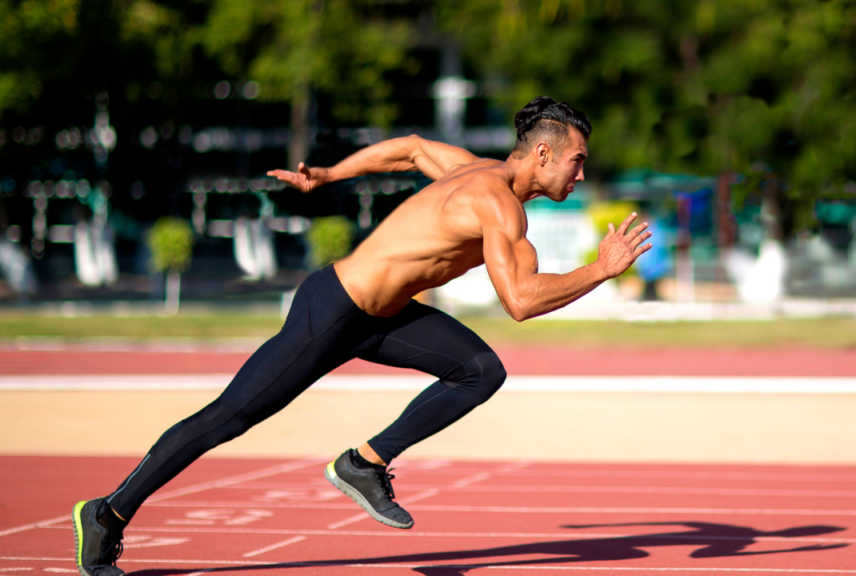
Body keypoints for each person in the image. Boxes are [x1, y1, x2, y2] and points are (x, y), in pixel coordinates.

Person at [72, 96, 652, 576]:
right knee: (228, 417)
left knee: (481, 370)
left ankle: (363, 463)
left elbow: (410, 148)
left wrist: (330, 173)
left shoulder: (473, 169)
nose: (580, 173)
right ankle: (108, 513)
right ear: (543, 153)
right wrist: (600, 270)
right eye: (576, 161)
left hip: (383, 317)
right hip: (333, 311)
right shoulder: (496, 203)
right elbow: (520, 301)